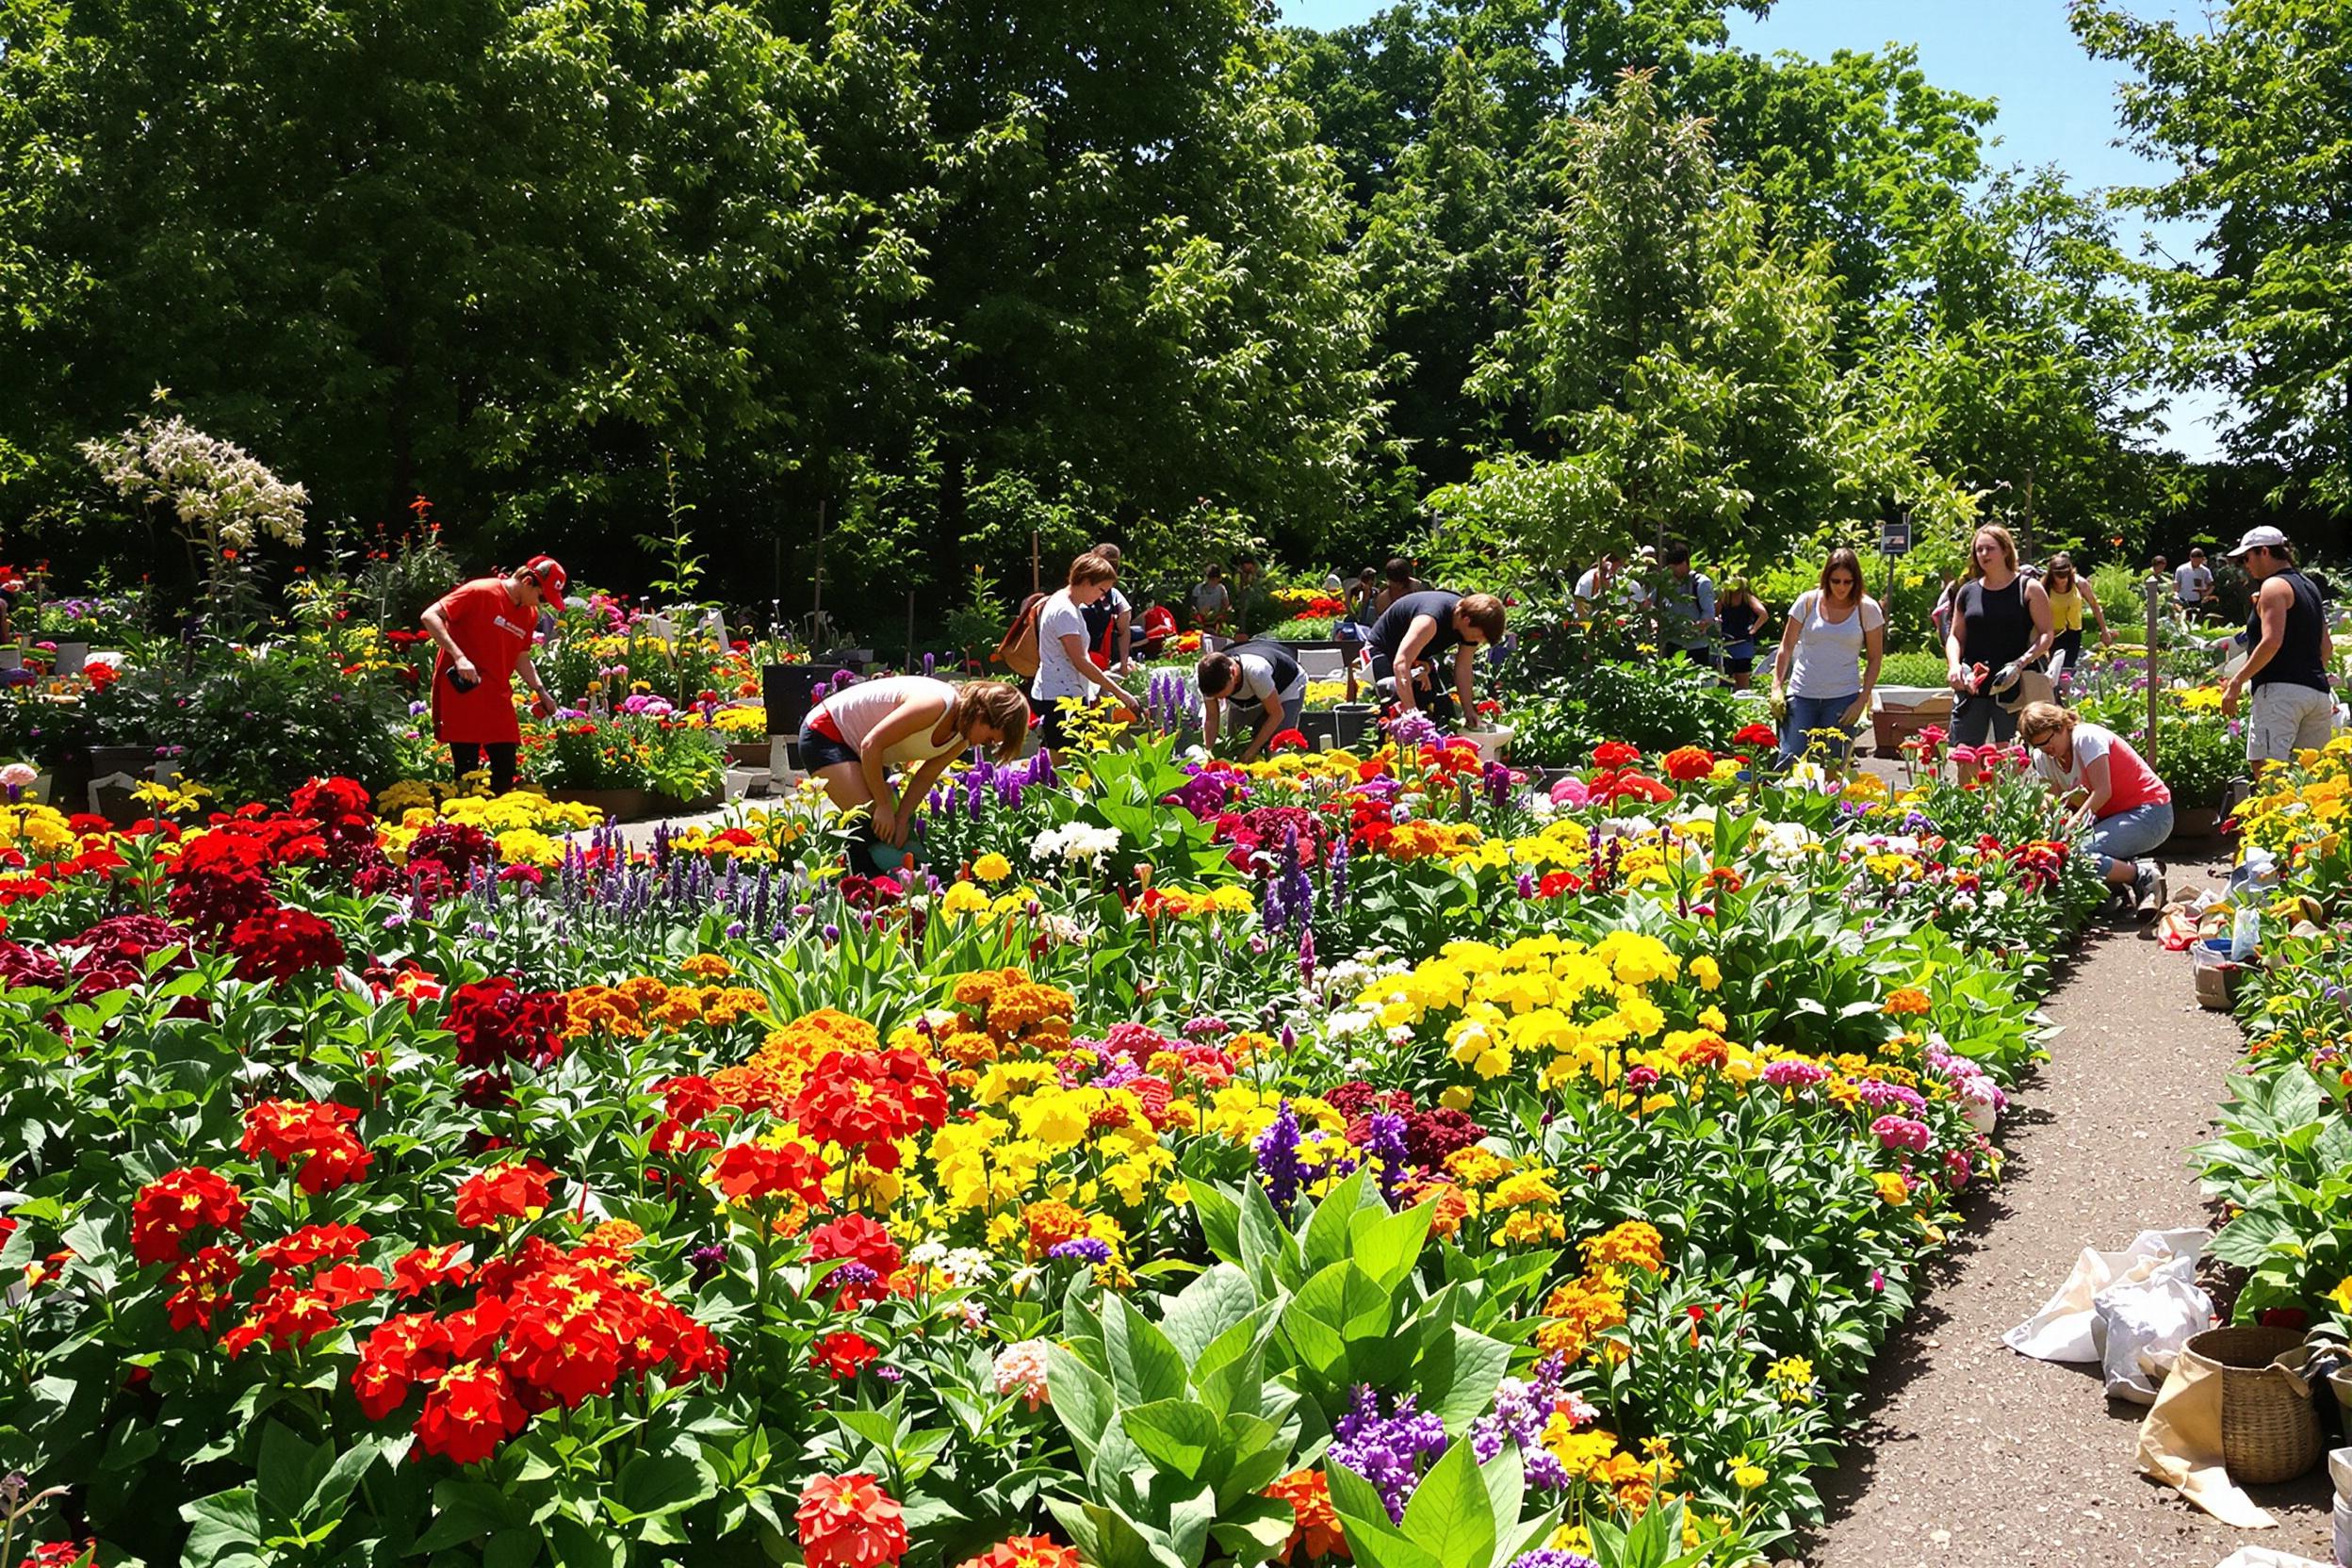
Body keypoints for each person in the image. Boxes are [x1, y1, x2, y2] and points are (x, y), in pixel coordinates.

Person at [799, 677, 1030, 855]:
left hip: (869, 751)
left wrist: (900, 819)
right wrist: (883, 805)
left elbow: (925, 776)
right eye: (990, 738)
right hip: (827, 732)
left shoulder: (962, 738)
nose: (984, 746)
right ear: (981, 713)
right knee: (868, 823)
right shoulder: (935, 705)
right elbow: (871, 744)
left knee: (891, 832)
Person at [421, 557, 566, 794]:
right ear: (528, 581)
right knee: (467, 773)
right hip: (464, 691)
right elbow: (430, 616)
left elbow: (521, 656)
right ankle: (466, 828)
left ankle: (502, 824)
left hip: (497, 696)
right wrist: (459, 657)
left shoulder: (528, 614)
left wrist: (541, 691)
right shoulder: (480, 591)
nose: (541, 605)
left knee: (505, 767)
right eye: (542, 597)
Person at [2017, 700, 2171, 916]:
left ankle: (2142, 874)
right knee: (2061, 848)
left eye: (2048, 742)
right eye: (2038, 745)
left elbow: (2103, 791)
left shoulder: (2086, 738)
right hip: (2110, 818)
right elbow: (2058, 802)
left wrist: (2072, 824)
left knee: (2079, 852)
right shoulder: (2044, 757)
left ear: (2060, 727)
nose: (2046, 750)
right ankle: (2116, 889)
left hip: (2150, 812)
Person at [2213, 525, 2335, 764]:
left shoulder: (2272, 587)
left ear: (2265, 552)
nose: (2245, 565)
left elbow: (2272, 641)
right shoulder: (2310, 588)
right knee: (2310, 778)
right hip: (2318, 693)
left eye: (2246, 558)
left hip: (2279, 693)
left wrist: (2237, 681)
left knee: (2268, 771)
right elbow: (2326, 647)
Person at [1945, 524, 2053, 778]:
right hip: (1973, 683)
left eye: (1990, 548)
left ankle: (2005, 813)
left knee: (2010, 757)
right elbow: (1955, 636)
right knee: (1966, 756)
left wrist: (2021, 663)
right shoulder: (1968, 591)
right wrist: (1954, 666)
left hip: (2011, 686)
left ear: (2005, 550)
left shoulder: (2028, 588)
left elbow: (2047, 634)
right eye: (1979, 549)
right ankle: (1970, 811)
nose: (1983, 554)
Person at [1770, 548, 1884, 766]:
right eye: (1836, 581)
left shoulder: (1867, 608)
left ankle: (1833, 800)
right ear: (1826, 578)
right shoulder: (1807, 602)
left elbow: (1875, 658)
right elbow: (1786, 646)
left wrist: (1861, 701)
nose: (1841, 587)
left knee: (1834, 763)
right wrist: (1776, 686)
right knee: (1789, 759)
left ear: (1856, 581)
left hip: (1843, 696)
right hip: (1802, 693)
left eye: (1848, 582)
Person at [1032, 553, 1139, 760]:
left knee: (1072, 758)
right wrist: (1120, 693)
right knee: (1067, 763)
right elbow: (1080, 661)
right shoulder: (1065, 612)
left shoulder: (1066, 603)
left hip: (1063, 691)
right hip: (1060, 697)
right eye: (1102, 590)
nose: (1101, 597)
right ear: (1087, 581)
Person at [1366, 588, 1506, 722]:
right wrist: (1412, 712)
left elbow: (1463, 668)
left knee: (1440, 709)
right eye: (1478, 636)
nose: (1478, 641)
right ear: (1467, 621)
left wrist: (1469, 711)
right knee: (1393, 711)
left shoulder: (1467, 624)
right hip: (1382, 652)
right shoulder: (1429, 620)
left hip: (1416, 657)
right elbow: (1401, 663)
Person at [1197, 640, 1307, 761]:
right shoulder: (1207, 678)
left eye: (1221, 694)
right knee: (1236, 747)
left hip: (1286, 686)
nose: (1220, 699)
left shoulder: (1257, 672)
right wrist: (1209, 752)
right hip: (1251, 694)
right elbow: (1212, 717)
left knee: (1276, 749)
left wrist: (1251, 751)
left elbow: (1276, 714)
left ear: (1233, 673)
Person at [2041, 552, 2111, 682]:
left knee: (2066, 671)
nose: (2062, 580)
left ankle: (2064, 696)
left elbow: (2095, 606)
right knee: (2051, 671)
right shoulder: (2044, 587)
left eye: (2065, 576)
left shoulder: (2080, 584)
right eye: (2059, 576)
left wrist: (2104, 630)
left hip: (2073, 633)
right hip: (2051, 634)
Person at [1658, 544, 1716, 666]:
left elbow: (1709, 613)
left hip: (1696, 646)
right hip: (1673, 643)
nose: (1672, 572)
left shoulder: (1701, 583)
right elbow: (1651, 603)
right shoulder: (1666, 582)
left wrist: (1701, 624)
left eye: (1675, 568)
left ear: (1685, 563)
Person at [1083, 542, 1134, 671]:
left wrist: (1123, 663)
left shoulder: (1115, 597)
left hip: (1095, 657)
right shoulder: (1076, 592)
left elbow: (1124, 630)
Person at [1716, 578, 1769, 690]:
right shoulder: (1728, 599)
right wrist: (1753, 630)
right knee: (1734, 682)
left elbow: (1763, 614)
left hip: (1736, 643)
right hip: (1733, 644)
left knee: (1735, 681)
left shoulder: (1734, 599)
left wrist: (1753, 630)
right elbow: (1763, 614)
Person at [1188, 566, 1232, 632]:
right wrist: (1197, 615)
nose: (1213, 582)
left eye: (1215, 579)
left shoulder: (1221, 589)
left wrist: (1221, 615)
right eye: (1211, 580)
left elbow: (1226, 605)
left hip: (1215, 622)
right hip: (1200, 621)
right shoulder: (1198, 588)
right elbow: (1192, 606)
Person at [2175, 547, 2214, 616]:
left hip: (2198, 601)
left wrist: (2206, 593)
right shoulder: (2181, 569)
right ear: (2190, 558)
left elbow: (2211, 585)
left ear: (2202, 559)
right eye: (2195, 561)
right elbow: (2176, 584)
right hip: (2183, 600)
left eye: (2199, 562)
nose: (2197, 563)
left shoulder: (2205, 571)